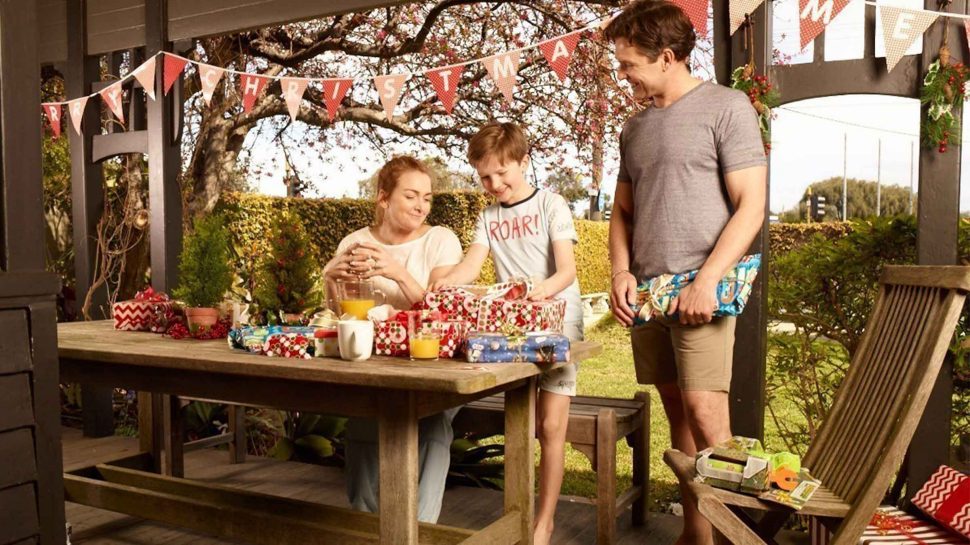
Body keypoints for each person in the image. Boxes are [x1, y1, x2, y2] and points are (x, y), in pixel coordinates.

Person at [604, 2, 768, 544]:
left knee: (709, 420)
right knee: (677, 412)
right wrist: (620, 272)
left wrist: (707, 281)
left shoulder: (728, 108)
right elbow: (622, 211)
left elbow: (751, 206)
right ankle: (698, 535)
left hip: (703, 291)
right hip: (649, 296)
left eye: (629, 64)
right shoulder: (635, 128)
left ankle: (734, 539)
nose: (623, 74)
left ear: (667, 57)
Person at [430, 122, 583, 545]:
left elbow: (566, 270)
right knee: (522, 422)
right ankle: (517, 513)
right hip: (510, 328)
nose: (494, 183)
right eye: (485, 176)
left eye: (502, 173)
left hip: (557, 321)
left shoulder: (552, 204)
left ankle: (543, 524)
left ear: (524, 162)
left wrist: (542, 291)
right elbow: (469, 266)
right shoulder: (488, 216)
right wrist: (450, 283)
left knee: (550, 427)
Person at [323, 155, 464, 523]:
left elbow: (445, 314)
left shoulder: (440, 240)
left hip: (434, 365)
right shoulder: (354, 243)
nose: (422, 206)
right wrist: (330, 279)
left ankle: (419, 529)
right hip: (374, 364)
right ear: (384, 198)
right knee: (366, 417)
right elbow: (342, 316)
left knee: (431, 420)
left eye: (427, 197)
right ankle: (369, 527)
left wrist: (398, 273)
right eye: (411, 196)